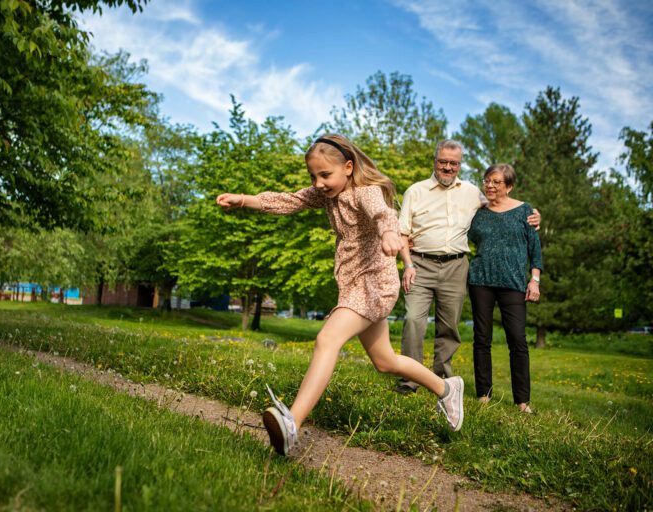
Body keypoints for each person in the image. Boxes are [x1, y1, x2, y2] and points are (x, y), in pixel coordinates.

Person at [216, 134, 465, 456]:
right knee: (385, 361)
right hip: (351, 283)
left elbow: (382, 214)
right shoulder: (328, 196)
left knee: (327, 339)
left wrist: (390, 233)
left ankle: (292, 423)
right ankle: (447, 388)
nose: (318, 183)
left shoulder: (366, 192)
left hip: (374, 282)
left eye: (325, 175)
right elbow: (289, 200)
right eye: (313, 176)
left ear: (348, 167)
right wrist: (245, 199)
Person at [396, 140, 540, 394]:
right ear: (435, 161)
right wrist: (407, 264)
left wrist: (531, 216)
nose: (448, 167)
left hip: (456, 267)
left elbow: (500, 204)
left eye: (454, 163)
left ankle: (440, 381)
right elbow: (402, 233)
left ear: (459, 165)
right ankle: (409, 380)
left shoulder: (473, 192)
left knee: (449, 327)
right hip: (419, 264)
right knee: (413, 320)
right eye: (443, 162)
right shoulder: (415, 191)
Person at [467, 163, 542, 413]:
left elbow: (535, 249)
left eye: (496, 182)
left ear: (509, 186)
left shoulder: (525, 211)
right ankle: (483, 395)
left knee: (518, 340)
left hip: (513, 284)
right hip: (481, 280)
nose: (490, 185)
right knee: (482, 338)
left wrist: (535, 280)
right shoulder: (477, 211)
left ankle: (522, 402)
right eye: (487, 180)